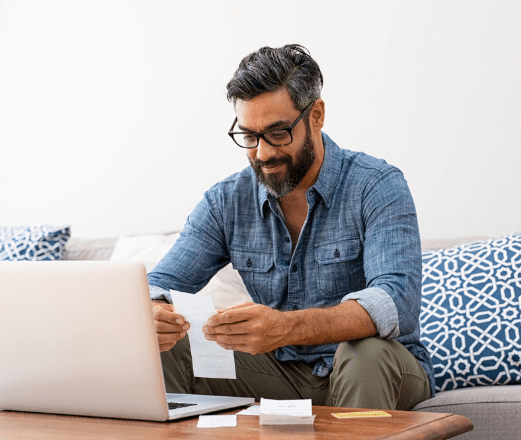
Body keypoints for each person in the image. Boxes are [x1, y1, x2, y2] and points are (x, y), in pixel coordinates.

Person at [148, 44, 434, 410]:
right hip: (280, 373)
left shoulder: (376, 185)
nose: (263, 153)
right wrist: (153, 314)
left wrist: (287, 327)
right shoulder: (226, 201)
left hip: (381, 371)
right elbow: (157, 285)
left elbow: (396, 301)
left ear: (316, 115)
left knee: (365, 353)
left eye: (278, 132)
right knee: (165, 348)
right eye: (249, 137)